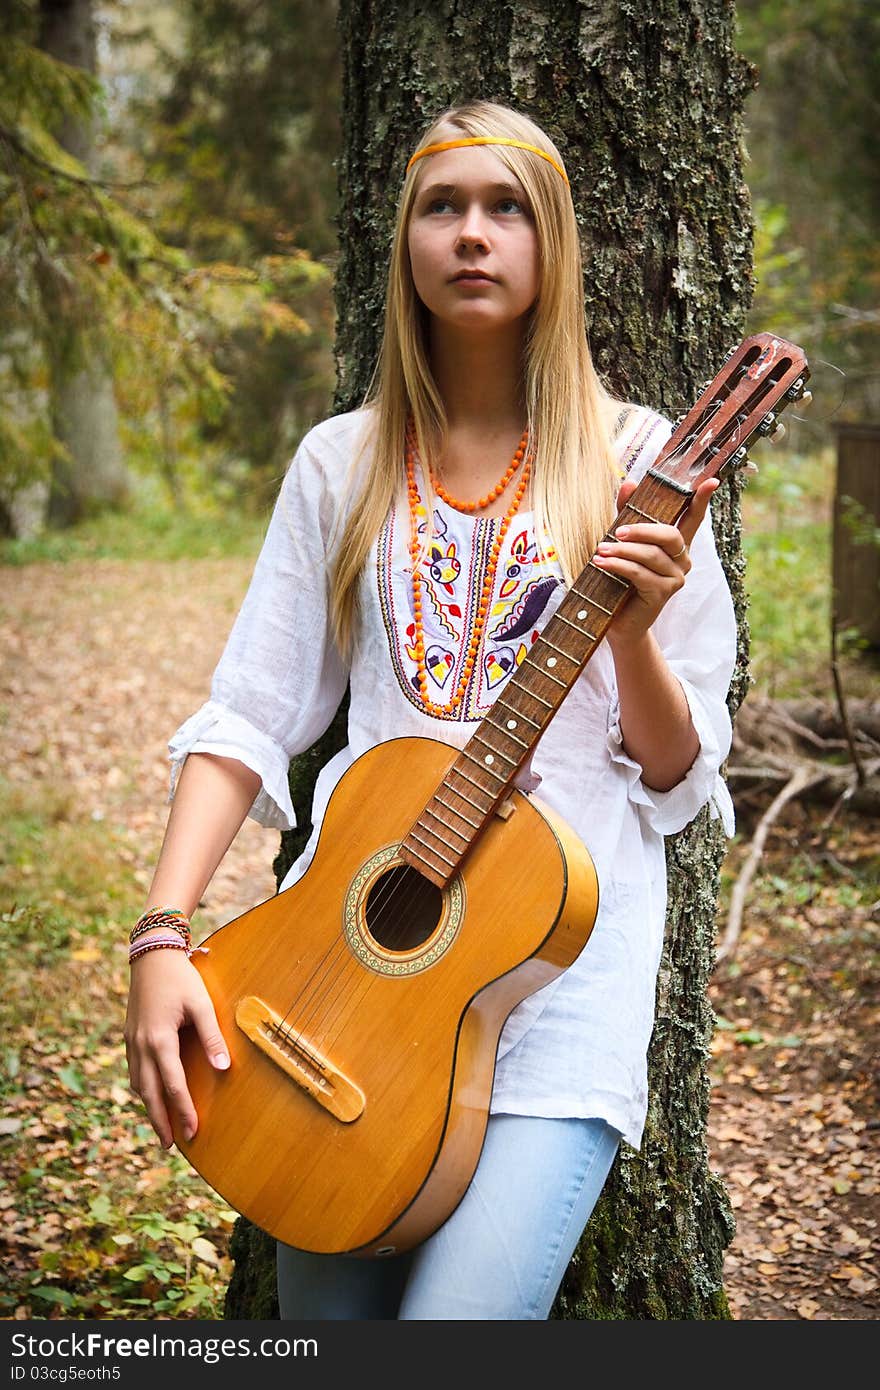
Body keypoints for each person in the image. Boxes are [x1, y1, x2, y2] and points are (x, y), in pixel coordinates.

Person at [124, 99, 737, 1320]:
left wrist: (625, 626)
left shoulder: (639, 464)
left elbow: (675, 783)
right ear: (401, 240)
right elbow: (247, 715)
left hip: (556, 1001)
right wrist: (159, 936)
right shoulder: (339, 464)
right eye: (441, 206)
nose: (472, 234)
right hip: (339, 1003)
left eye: (506, 207)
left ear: (551, 244)